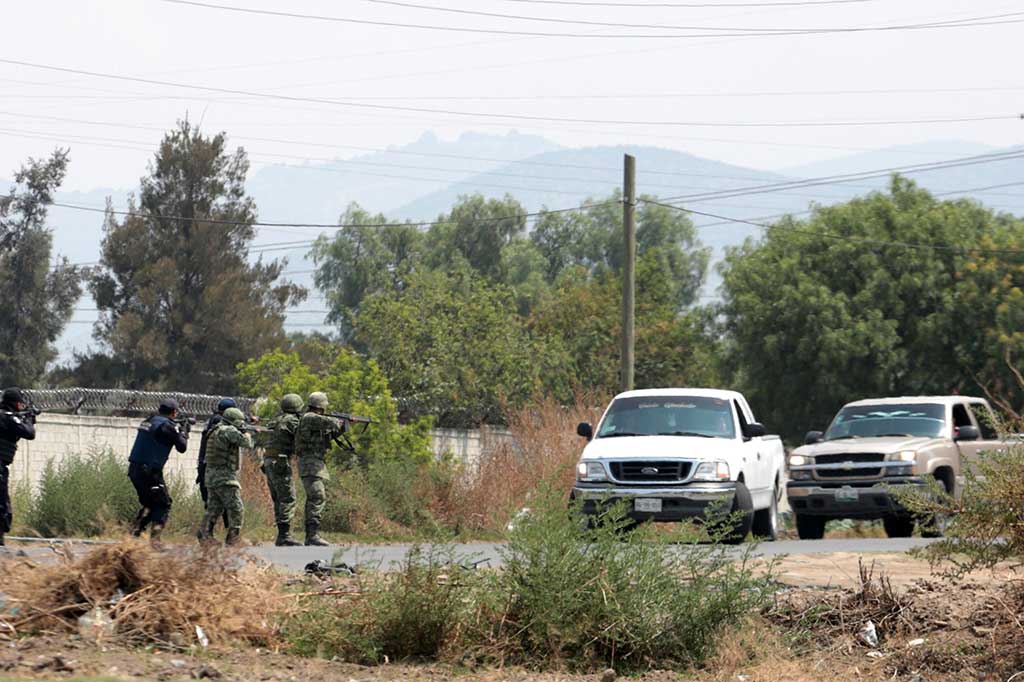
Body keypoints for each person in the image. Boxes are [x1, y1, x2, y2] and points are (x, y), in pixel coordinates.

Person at [128, 398, 188, 547]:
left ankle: (132, 537)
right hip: (149, 471)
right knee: (163, 503)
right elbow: (182, 447)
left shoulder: (149, 421)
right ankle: (154, 542)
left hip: (135, 469)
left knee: (150, 504)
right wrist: (184, 431)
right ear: (174, 412)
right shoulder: (166, 426)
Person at [294, 392, 346, 547]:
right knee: (317, 496)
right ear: (321, 405)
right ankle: (312, 535)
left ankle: (312, 534)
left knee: (316, 497)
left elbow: (330, 434)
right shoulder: (310, 418)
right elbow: (330, 422)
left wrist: (344, 427)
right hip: (310, 464)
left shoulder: (316, 422)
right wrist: (340, 420)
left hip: (316, 464)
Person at [197, 407, 252, 546]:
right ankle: (233, 538)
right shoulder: (229, 431)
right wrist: (246, 432)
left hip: (211, 476)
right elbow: (247, 443)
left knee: (214, 508)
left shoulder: (214, 430)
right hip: (225, 477)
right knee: (236, 508)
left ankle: (204, 534)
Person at [261, 393, 303, 547]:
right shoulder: (293, 421)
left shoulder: (276, 420)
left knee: (278, 499)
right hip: (280, 462)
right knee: (288, 498)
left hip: (268, 461)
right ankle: (284, 535)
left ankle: (282, 534)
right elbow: (301, 440)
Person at [0, 388, 36, 547]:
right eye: (20, 404)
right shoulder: (7, 417)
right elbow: (29, 433)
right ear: (15, 403)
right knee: (2, 508)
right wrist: (29, 420)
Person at [197, 398, 236, 536]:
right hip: (211, 468)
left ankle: (209, 534)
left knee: (217, 503)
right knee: (224, 502)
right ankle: (215, 534)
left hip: (207, 467)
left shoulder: (214, 419)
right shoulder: (217, 421)